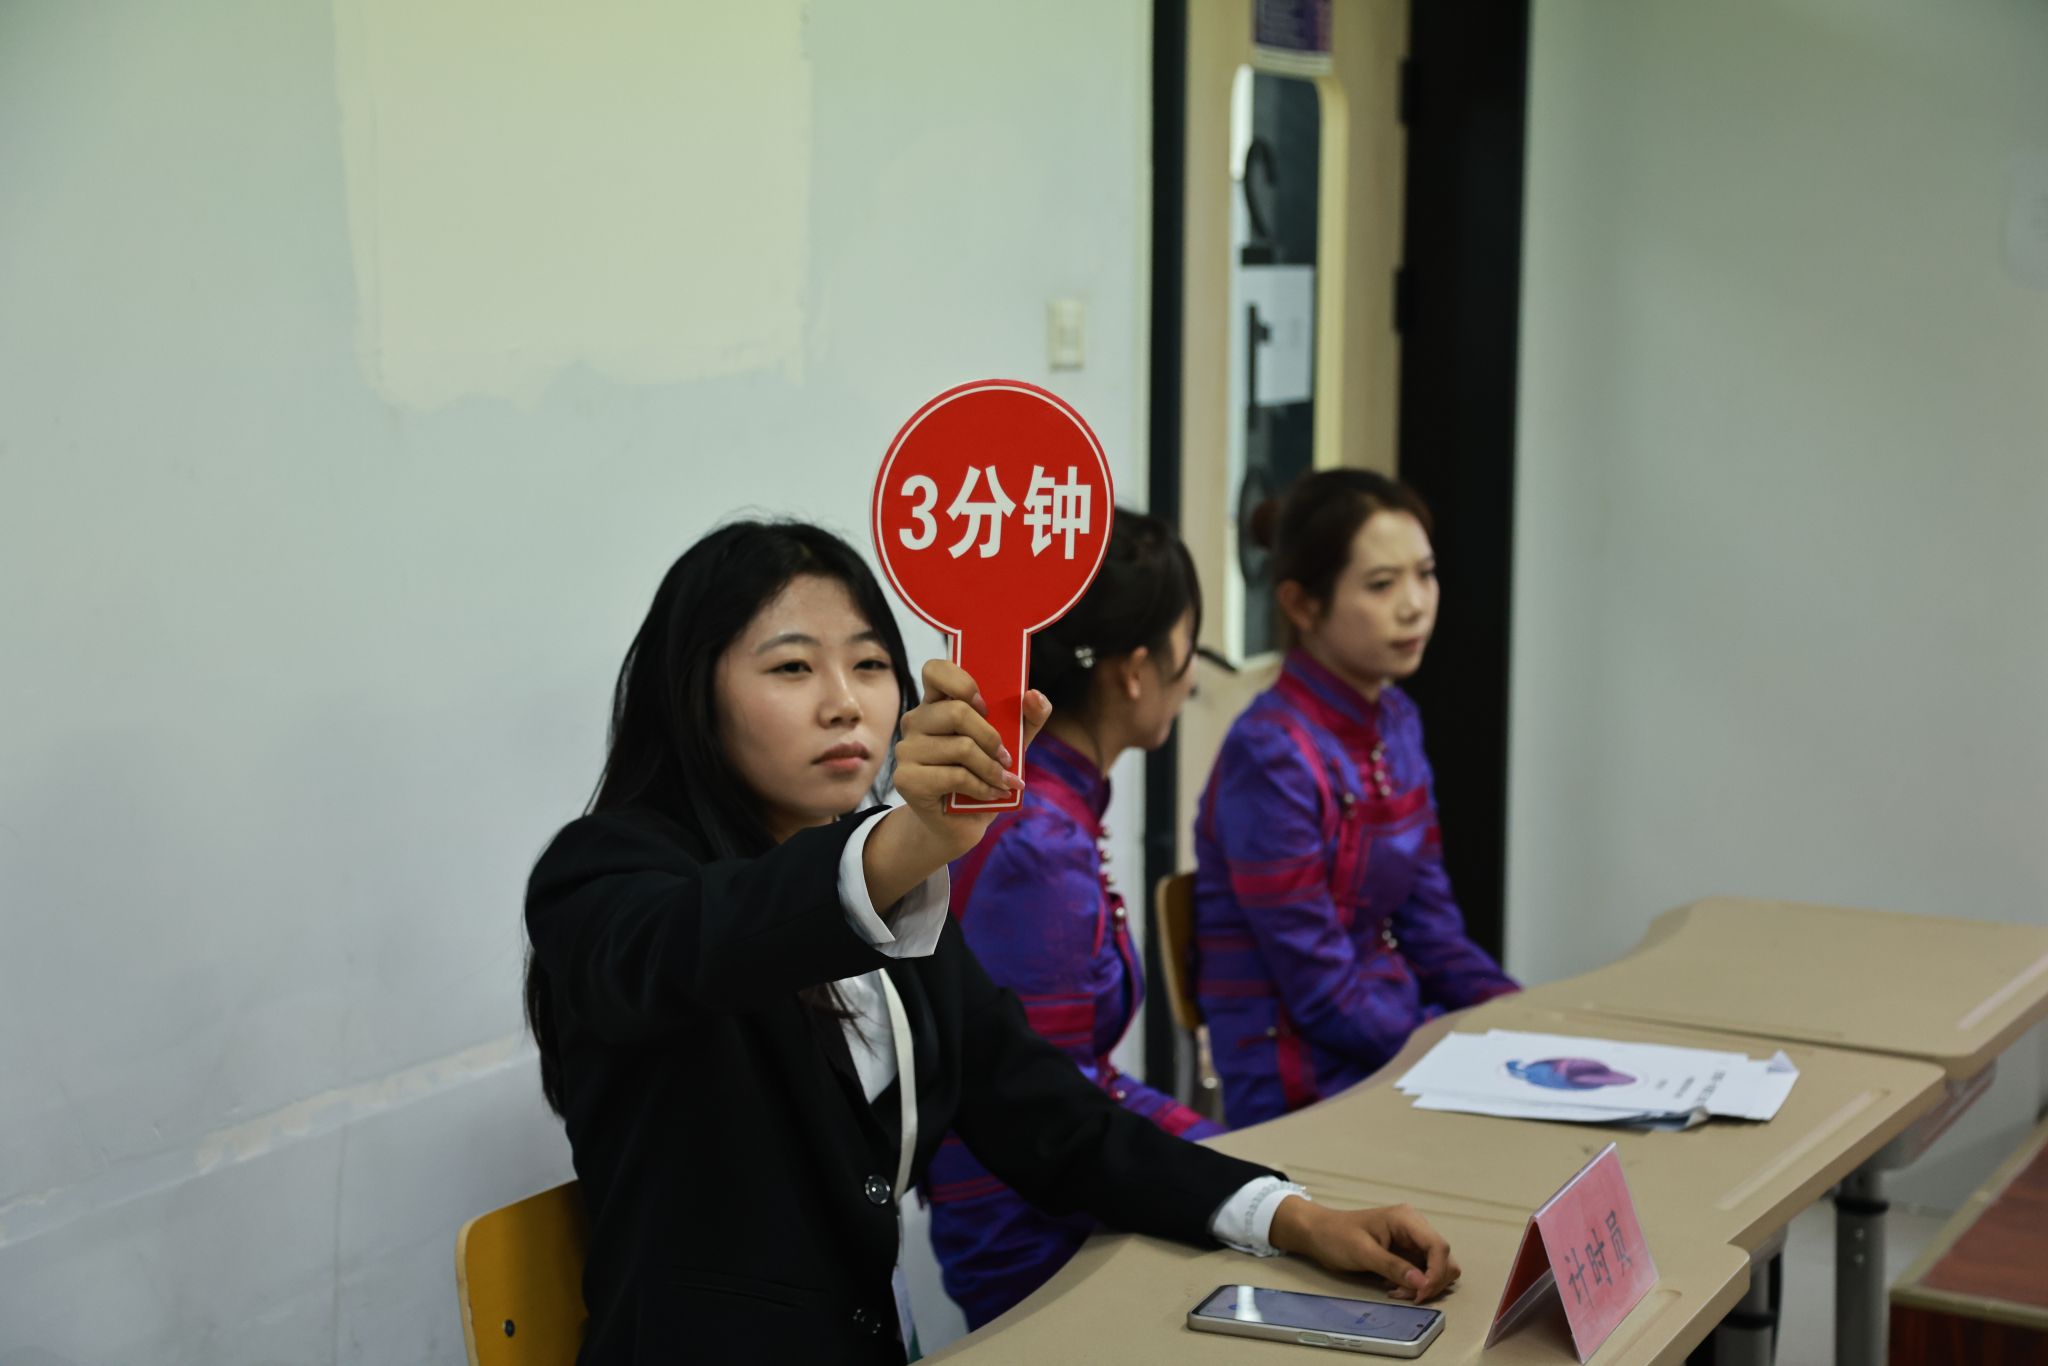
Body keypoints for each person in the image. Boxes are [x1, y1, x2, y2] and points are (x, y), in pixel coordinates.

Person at [522, 519, 1462, 1365]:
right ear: (694, 694)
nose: (844, 704)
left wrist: (1288, 1216)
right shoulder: (605, 874)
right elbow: (684, 949)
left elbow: (1055, 1120)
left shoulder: (891, 888)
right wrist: (904, 845)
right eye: (792, 669)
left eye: (870, 664)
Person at [926, 509, 1218, 1329]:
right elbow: (1051, 1118)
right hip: (1041, 1253)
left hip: (1068, 1200)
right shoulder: (1037, 846)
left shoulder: (1048, 806)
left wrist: (1219, 1156)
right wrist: (1221, 1170)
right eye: (1187, 647)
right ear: (1136, 671)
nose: (1193, 677)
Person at [1194, 471, 1518, 1128]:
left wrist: (1523, 1018)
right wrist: (1459, 1053)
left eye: (1425, 574)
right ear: (1301, 604)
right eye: (1381, 584)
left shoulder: (1396, 721)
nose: (1415, 604)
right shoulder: (1270, 754)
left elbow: (1434, 931)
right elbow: (1320, 993)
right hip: (1305, 1084)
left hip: (1393, 1044)